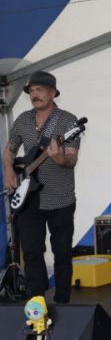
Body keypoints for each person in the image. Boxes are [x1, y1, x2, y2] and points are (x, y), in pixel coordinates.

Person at [2, 71, 80, 303]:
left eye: (40, 90)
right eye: (31, 91)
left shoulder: (68, 121)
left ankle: (63, 301)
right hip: (28, 197)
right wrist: (9, 171)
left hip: (60, 196)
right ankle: (35, 302)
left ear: (53, 92)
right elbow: (9, 152)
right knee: (32, 251)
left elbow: (71, 159)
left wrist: (58, 158)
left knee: (62, 251)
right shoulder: (22, 120)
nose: (34, 94)